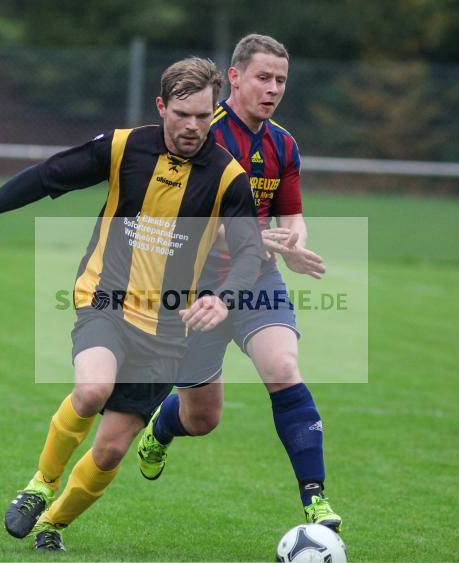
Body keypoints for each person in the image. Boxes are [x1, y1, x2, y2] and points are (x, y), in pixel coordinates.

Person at [0, 57, 265, 552]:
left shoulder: (227, 177)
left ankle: (52, 525)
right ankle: (39, 486)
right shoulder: (124, 147)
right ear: (162, 107)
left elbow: (248, 251)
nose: (193, 126)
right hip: (106, 298)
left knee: (112, 448)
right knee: (93, 389)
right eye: (183, 113)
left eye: (204, 116)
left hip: (167, 328)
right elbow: (52, 175)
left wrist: (223, 299)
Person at [136, 34, 343, 532]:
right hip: (196, 290)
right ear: (234, 78)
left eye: (281, 81)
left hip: (257, 283)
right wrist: (261, 238)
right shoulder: (202, 135)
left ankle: (315, 501)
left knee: (283, 365)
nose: (273, 89)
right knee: (203, 418)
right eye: (263, 78)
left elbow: (292, 216)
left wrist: (291, 245)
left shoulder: (283, 144)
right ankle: (161, 427)